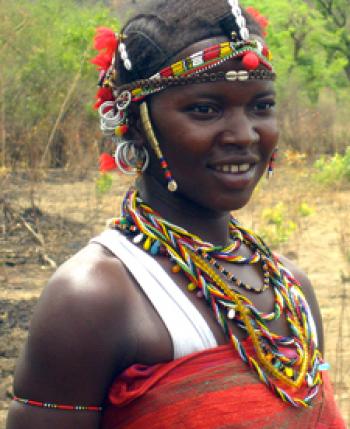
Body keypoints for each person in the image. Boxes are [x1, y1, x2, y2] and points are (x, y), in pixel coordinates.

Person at [6, 0, 347, 428]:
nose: (244, 135)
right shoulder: (95, 298)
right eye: (205, 109)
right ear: (135, 124)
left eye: (260, 106)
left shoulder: (292, 290)